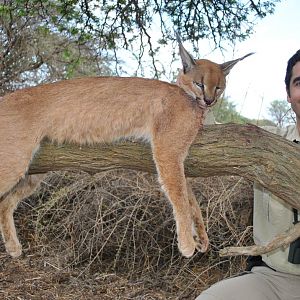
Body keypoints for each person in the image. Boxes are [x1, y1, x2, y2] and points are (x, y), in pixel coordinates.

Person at [196, 50, 300, 300]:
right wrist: (202, 88)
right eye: (299, 83)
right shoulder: (263, 142)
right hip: (276, 279)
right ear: (288, 95)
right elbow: (208, 132)